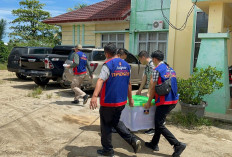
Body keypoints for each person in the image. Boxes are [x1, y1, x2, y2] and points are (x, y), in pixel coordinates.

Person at [89, 43, 141, 156]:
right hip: (121, 102)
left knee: (106, 126)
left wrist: (94, 96)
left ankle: (108, 150)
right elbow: (129, 84)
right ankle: (132, 140)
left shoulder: (108, 64)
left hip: (109, 102)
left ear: (106, 53)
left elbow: (100, 80)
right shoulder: (127, 65)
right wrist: (130, 99)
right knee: (115, 122)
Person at [144, 50, 186, 157]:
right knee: (159, 122)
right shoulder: (171, 69)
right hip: (173, 100)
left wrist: (149, 102)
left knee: (159, 124)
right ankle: (154, 143)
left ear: (154, 59)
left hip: (164, 101)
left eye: (152, 60)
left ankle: (177, 145)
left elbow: (153, 88)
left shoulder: (156, 70)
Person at [137, 50, 156, 135]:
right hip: (151, 90)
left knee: (151, 108)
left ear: (143, 57)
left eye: (140, 60)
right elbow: (145, 77)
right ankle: (149, 125)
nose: (140, 62)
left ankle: (153, 128)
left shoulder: (152, 65)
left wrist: (149, 92)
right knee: (148, 108)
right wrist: (140, 89)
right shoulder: (147, 65)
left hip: (155, 90)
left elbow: (152, 79)